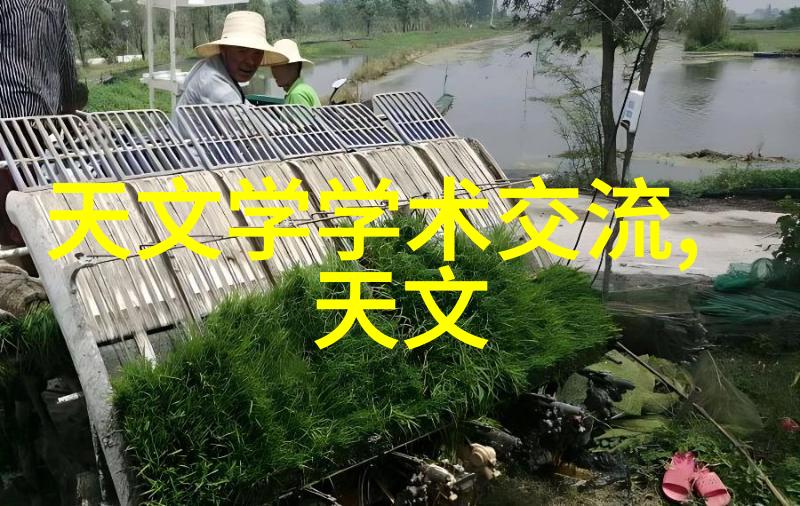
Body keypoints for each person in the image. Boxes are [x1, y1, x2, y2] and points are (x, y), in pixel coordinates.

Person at [0, 0, 87, 247]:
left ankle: (18, 247)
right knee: (23, 181)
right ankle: (26, 244)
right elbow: (65, 54)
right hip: (41, 111)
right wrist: (69, 106)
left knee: (9, 187)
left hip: (7, 107)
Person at [177, 11, 286, 107]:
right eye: (242, 51)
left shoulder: (215, 66)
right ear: (223, 49)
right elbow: (244, 122)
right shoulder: (215, 86)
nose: (251, 62)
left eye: (257, 53)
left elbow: (246, 107)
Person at [267, 39, 321, 108]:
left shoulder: (296, 94)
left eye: (278, 66)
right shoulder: (305, 88)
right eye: (272, 66)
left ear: (294, 66)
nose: (273, 72)